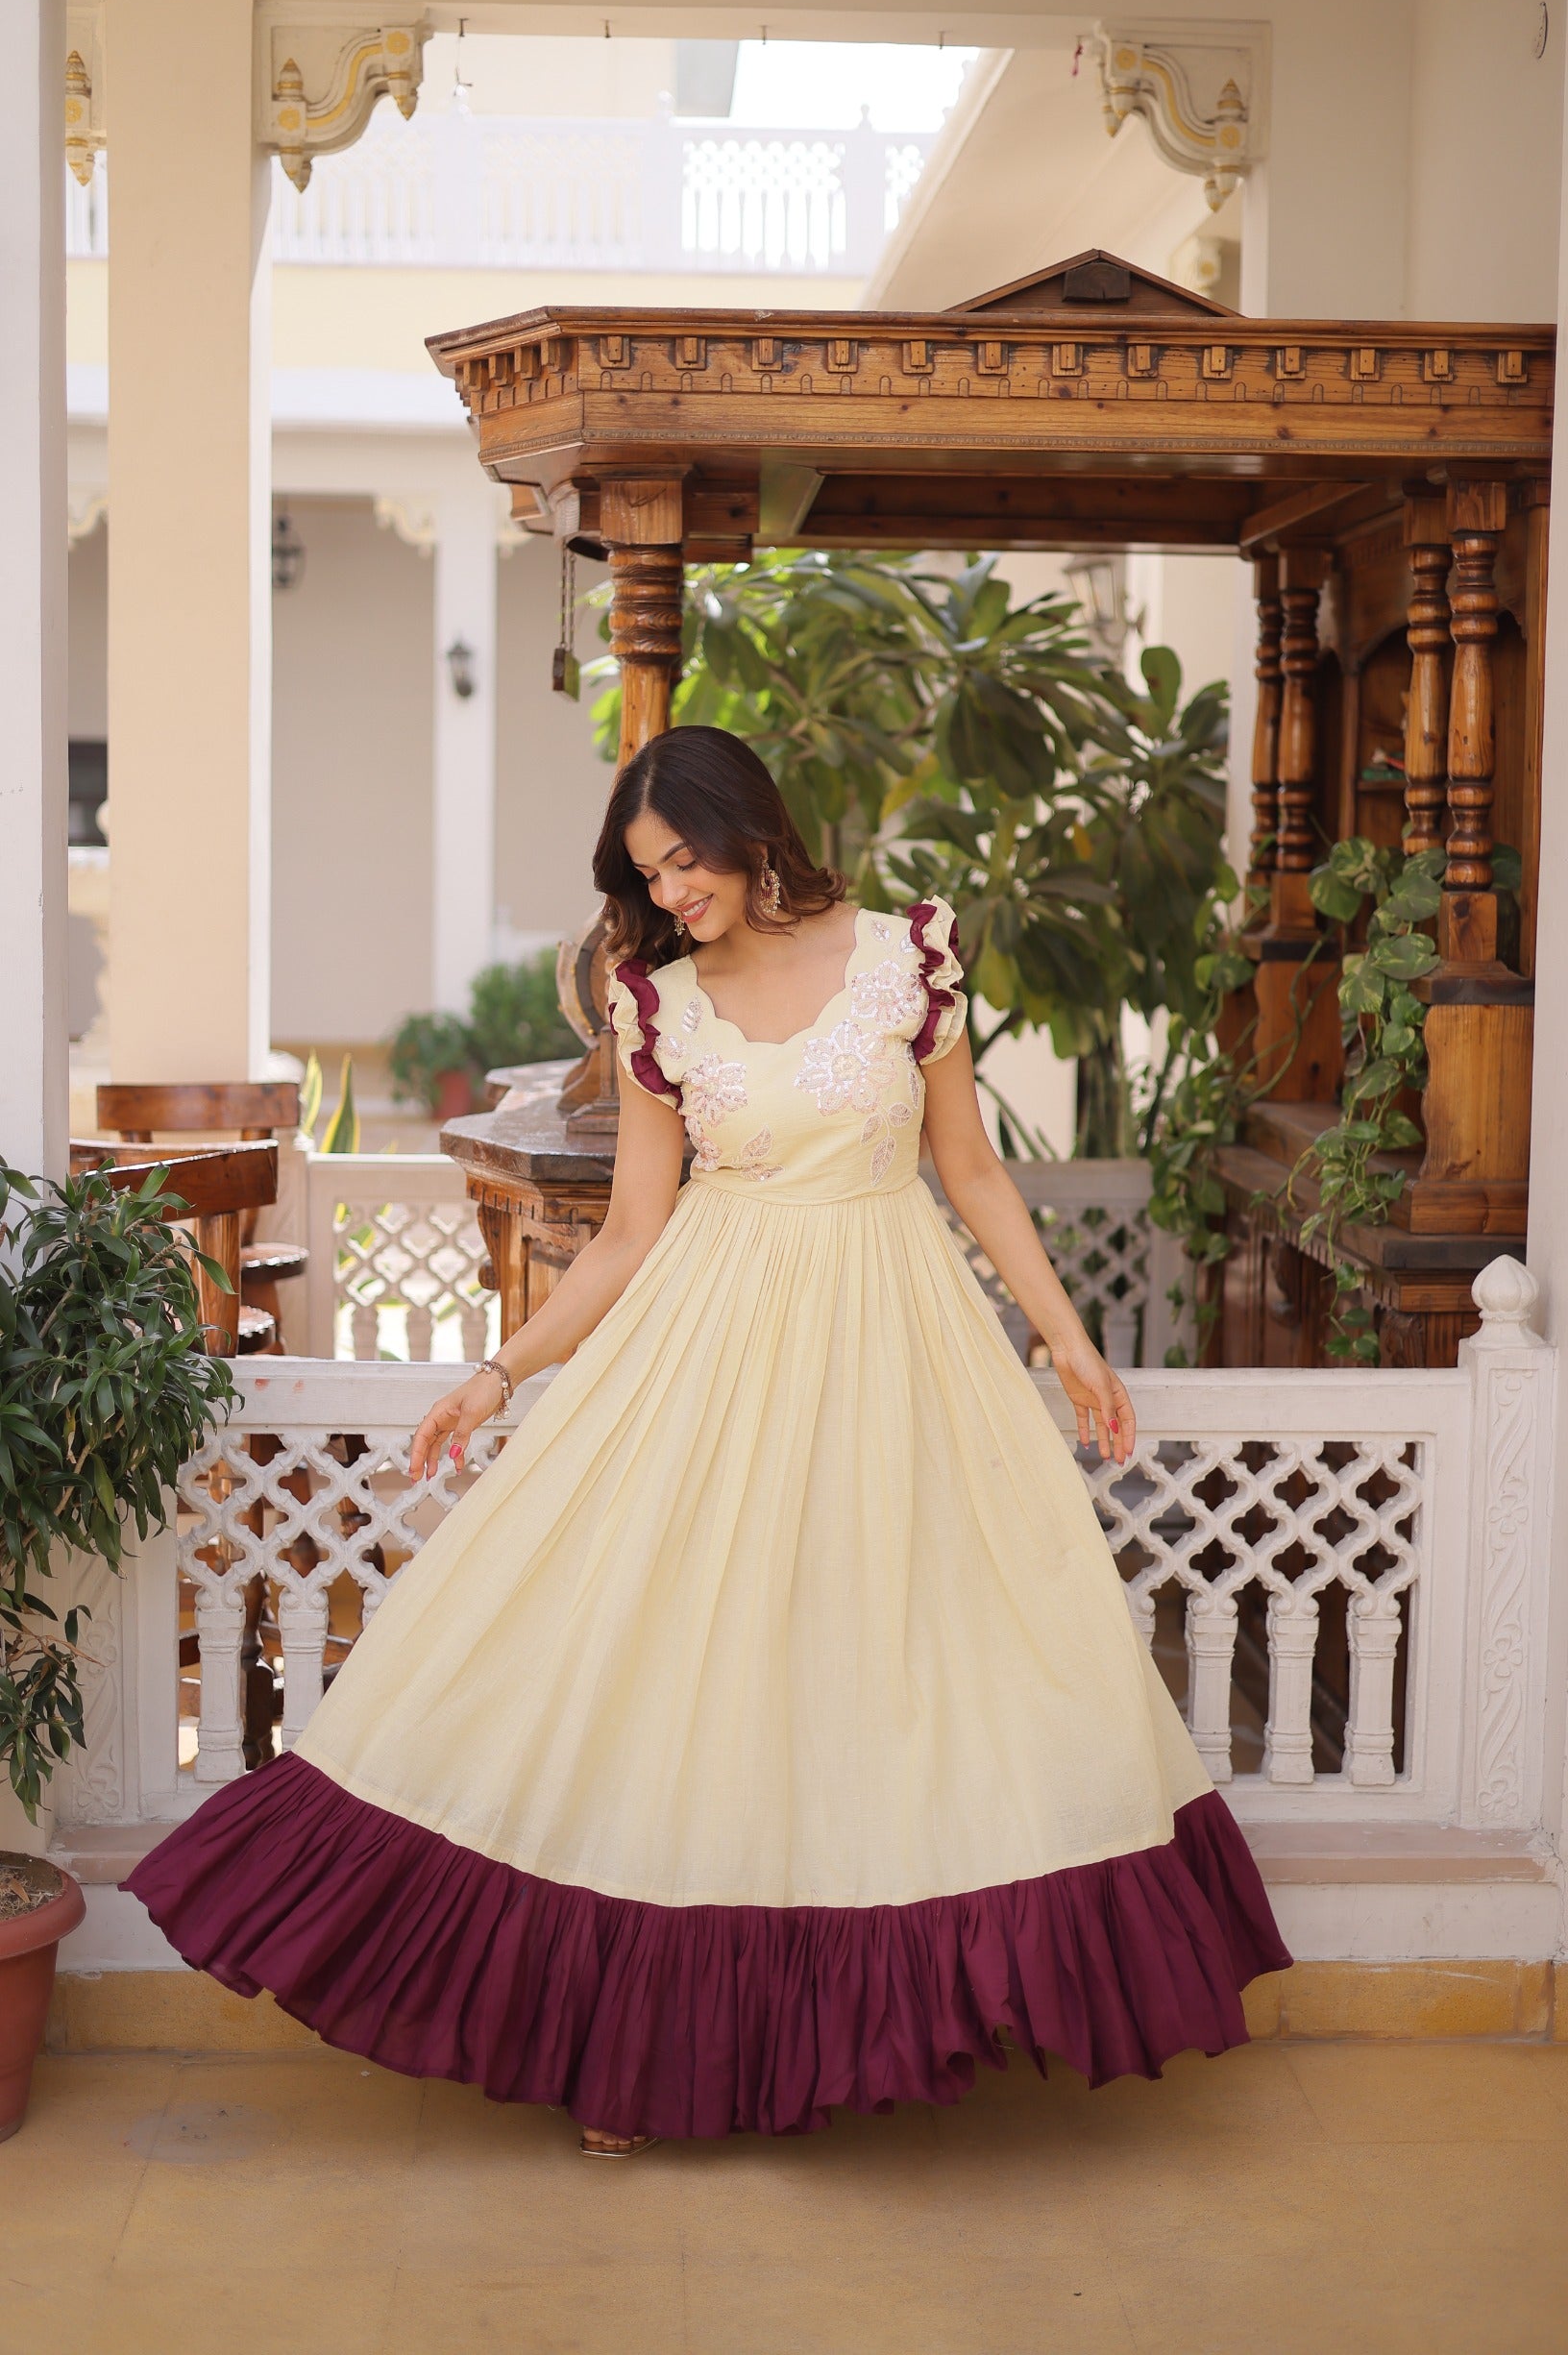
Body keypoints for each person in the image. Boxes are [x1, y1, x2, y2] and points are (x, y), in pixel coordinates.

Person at [127, 728, 1287, 2153]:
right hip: (708, 1351)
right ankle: (642, 2048)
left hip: (897, 1342)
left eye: (684, 860)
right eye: (648, 874)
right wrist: (497, 1374)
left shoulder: (908, 954)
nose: (670, 892)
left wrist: (1062, 1336)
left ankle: (865, 2031)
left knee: (892, 1667)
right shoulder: (654, 1007)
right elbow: (626, 1236)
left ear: (750, 829)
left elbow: (967, 1166)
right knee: (679, 1670)